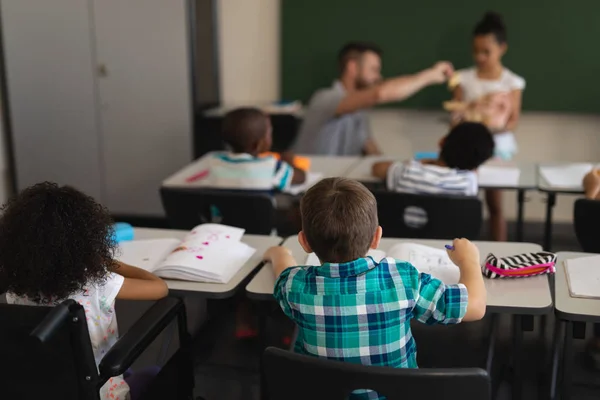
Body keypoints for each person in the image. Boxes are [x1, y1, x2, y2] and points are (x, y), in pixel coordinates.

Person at [263, 178, 487, 400]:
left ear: (304, 242)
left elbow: (284, 272)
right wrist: (469, 261)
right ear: (377, 237)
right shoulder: (403, 279)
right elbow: (475, 307)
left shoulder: (295, 286)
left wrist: (279, 253)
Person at [0, 182, 169, 400]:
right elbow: (160, 287)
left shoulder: (15, 286)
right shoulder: (99, 284)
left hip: (39, 390)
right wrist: (107, 263)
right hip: (97, 392)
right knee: (152, 374)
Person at [293, 42, 455, 156]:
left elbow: (370, 149)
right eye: (374, 70)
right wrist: (430, 76)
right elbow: (380, 93)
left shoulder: (360, 111)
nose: (378, 77)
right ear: (352, 67)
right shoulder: (324, 98)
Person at [451, 12, 525, 242]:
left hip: (497, 148)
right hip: (466, 148)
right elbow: (456, 114)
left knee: (495, 204)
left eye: (486, 52)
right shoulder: (462, 78)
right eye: (476, 51)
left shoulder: (512, 82)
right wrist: (465, 114)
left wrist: (489, 125)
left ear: (502, 48)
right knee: (464, 202)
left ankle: (498, 251)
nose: (480, 57)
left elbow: (512, 121)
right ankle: (460, 251)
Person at [371, 122, 495, 195]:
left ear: (441, 141)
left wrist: (417, 162)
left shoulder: (408, 171)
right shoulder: (468, 182)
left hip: (406, 238)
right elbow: (473, 170)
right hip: (452, 239)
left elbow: (377, 168)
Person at [208, 107, 306, 191]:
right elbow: (301, 177)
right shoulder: (273, 168)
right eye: (269, 133)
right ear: (258, 145)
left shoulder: (212, 162)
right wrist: (288, 161)